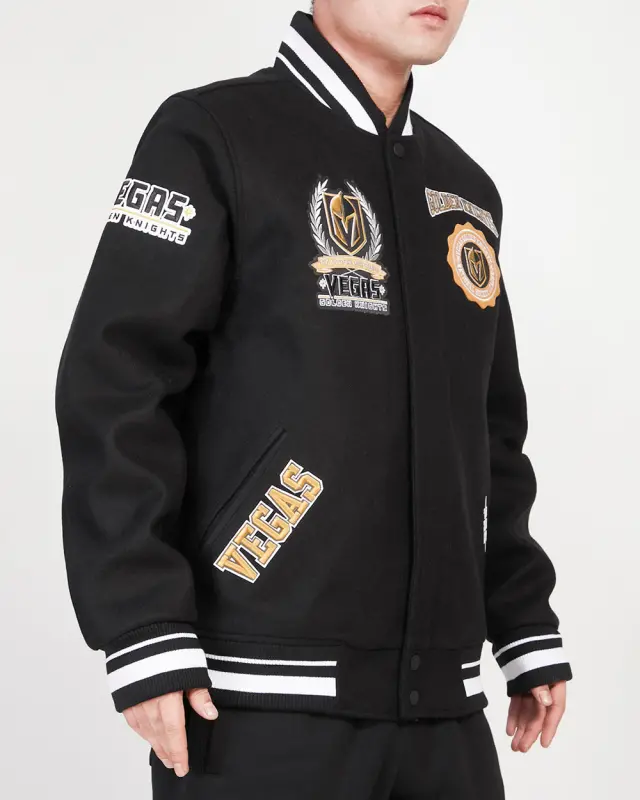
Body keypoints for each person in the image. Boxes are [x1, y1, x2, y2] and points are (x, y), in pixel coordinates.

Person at [55, 1, 573, 797]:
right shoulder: (212, 138)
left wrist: (523, 618)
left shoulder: (465, 192)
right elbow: (116, 383)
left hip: (445, 713)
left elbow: (489, 429)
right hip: (254, 706)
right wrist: (142, 624)